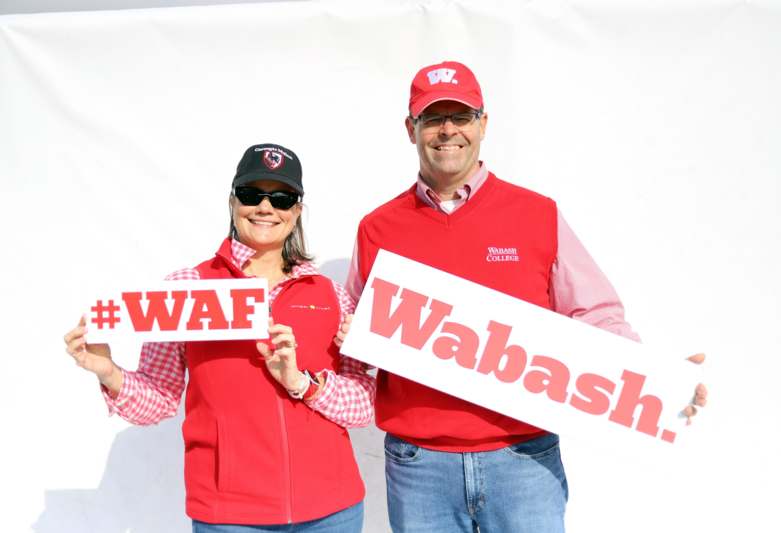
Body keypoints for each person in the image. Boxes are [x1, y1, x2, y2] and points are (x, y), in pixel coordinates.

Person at [344, 61, 708, 533]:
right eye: (433, 118)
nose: (448, 130)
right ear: (410, 128)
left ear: (483, 124)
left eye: (462, 116)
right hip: (419, 466)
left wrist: (651, 381)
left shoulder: (537, 214)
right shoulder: (378, 228)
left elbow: (595, 313)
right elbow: (354, 342)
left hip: (523, 460)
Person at [64, 143, 375, 533]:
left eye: (281, 198)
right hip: (230, 516)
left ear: (296, 212)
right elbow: (159, 401)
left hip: (333, 511)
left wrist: (303, 383)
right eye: (251, 194)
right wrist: (108, 371)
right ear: (233, 202)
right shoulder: (187, 289)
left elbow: (365, 404)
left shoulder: (333, 295)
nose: (266, 207)